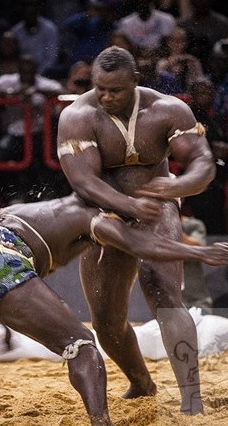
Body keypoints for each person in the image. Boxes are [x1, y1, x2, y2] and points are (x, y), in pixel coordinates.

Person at [0, 194, 228, 425]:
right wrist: (199, 253)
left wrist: (6, 326)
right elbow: (139, 244)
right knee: (81, 345)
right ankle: (101, 422)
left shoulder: (36, 208)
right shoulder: (93, 217)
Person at [56, 46, 216, 415]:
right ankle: (142, 383)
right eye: (101, 89)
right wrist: (128, 206)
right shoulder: (78, 115)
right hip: (102, 214)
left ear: (135, 83)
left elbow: (202, 162)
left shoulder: (168, 109)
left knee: (164, 294)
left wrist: (178, 187)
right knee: (106, 320)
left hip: (157, 209)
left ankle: (192, 398)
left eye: (116, 90)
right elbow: (83, 181)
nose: (107, 97)